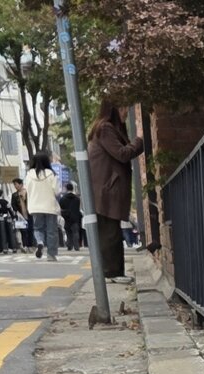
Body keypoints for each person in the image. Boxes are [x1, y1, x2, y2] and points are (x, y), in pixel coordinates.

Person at [87, 101, 146, 282]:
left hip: (106, 187)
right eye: (122, 108)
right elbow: (121, 153)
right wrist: (140, 140)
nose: (125, 112)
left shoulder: (108, 128)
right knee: (109, 232)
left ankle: (113, 272)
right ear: (113, 109)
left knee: (111, 231)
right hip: (107, 188)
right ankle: (111, 273)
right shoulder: (105, 129)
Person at [24, 150, 62, 261]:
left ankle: (40, 242)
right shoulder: (52, 174)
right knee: (51, 231)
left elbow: (27, 190)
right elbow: (57, 191)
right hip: (50, 206)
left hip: (35, 207)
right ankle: (51, 255)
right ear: (47, 161)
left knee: (37, 228)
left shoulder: (29, 175)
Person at [11, 177, 34, 249]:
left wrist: (24, 198)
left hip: (29, 214)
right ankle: (25, 246)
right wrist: (16, 212)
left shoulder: (28, 192)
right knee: (23, 231)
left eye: (16, 184)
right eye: (14, 185)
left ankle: (30, 245)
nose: (15, 186)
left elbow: (32, 202)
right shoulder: (14, 195)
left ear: (21, 184)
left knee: (30, 230)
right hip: (20, 216)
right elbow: (13, 205)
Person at [59, 182, 83, 250]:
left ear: (66, 189)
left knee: (68, 232)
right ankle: (76, 246)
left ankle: (69, 245)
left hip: (66, 218)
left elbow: (61, 208)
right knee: (75, 232)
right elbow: (78, 208)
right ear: (72, 188)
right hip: (75, 217)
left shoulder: (63, 199)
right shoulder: (77, 199)